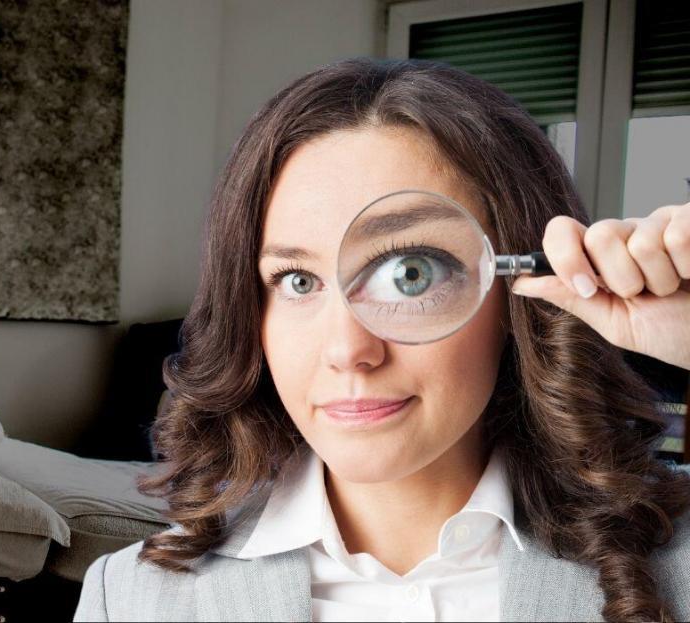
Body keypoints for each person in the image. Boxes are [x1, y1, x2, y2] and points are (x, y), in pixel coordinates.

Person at [73, 57, 690, 622]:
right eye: (296, 279)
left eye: (410, 273)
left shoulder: (676, 575)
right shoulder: (132, 599)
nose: (348, 350)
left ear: (515, 293)